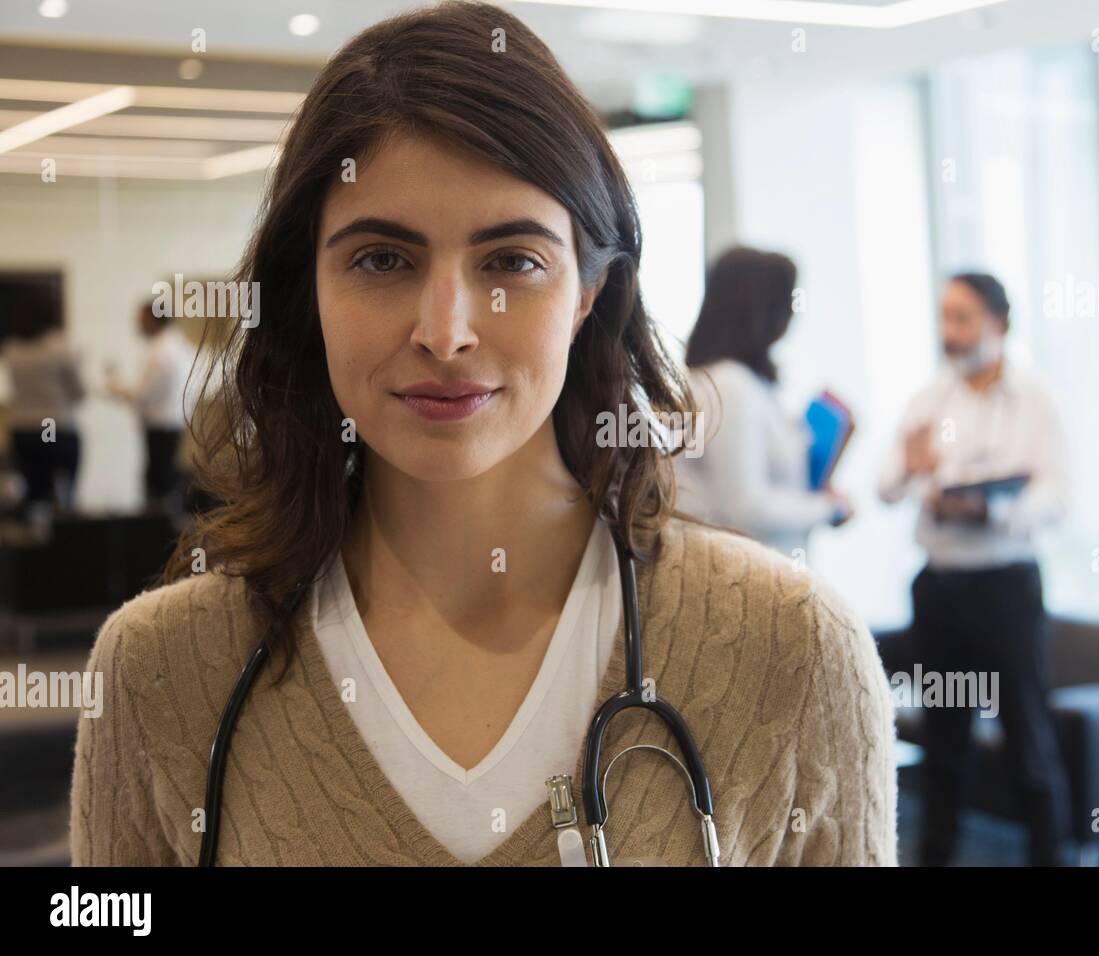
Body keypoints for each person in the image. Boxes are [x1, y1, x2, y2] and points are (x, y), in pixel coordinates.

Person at [69, 2, 897, 867]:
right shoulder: (160, 671)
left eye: (511, 261)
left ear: (586, 293)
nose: (447, 331)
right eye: (382, 259)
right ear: (305, 290)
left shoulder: (792, 650)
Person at [877, 272, 1070, 866]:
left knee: (1027, 741)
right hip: (941, 591)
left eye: (962, 319)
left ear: (999, 324)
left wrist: (993, 508)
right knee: (945, 741)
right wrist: (912, 471)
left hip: (1005, 589)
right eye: (945, 318)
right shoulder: (931, 399)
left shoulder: (1033, 400)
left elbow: (1055, 498)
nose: (950, 333)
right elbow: (885, 487)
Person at [674, 246, 854, 559]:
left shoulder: (741, 382)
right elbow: (745, 507)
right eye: (789, 300)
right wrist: (829, 508)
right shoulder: (730, 386)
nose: (794, 312)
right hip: (748, 573)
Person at [104, 302, 199, 513]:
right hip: (174, 421)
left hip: (161, 424)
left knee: (160, 480)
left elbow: (143, 395)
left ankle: (161, 528)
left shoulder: (161, 353)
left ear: (153, 320)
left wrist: (114, 387)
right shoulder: (181, 346)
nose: (138, 325)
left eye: (142, 320)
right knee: (164, 476)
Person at [1, 284, 84, 518]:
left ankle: (36, 542)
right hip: (54, 427)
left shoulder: (12, 349)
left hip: (24, 430)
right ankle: (62, 540)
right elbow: (78, 392)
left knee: (35, 494)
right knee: (63, 493)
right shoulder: (60, 348)